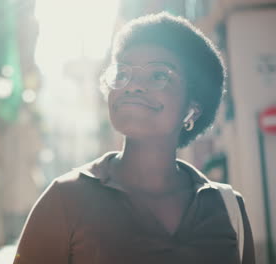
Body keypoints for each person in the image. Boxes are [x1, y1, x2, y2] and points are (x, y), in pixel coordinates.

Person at [14, 12, 255, 264]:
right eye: (122, 73)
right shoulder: (64, 199)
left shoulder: (229, 208)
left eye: (159, 75)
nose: (132, 85)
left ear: (191, 109)